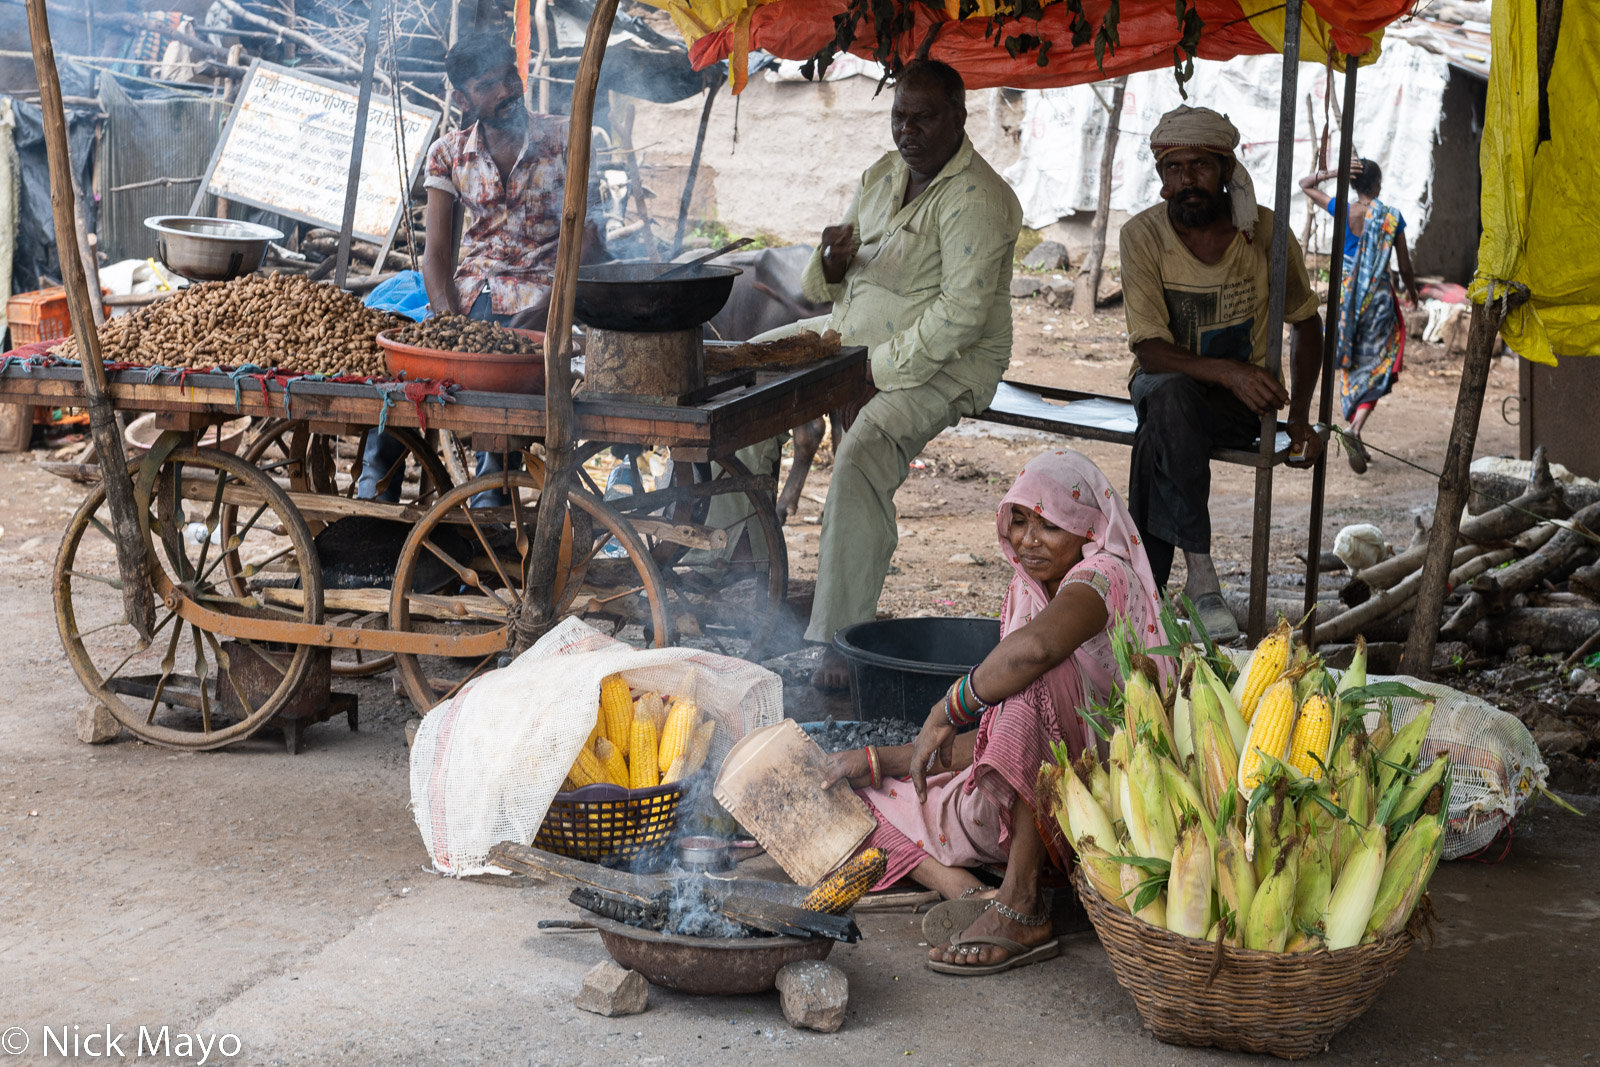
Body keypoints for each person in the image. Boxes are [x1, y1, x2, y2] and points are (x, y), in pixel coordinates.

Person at [822, 449, 1169, 974]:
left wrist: (947, 706)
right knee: (866, 803)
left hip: (1120, 792)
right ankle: (962, 888)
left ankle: (1021, 902)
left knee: (1030, 676)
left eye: (1050, 525)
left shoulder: (1106, 577)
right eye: (1020, 519)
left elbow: (1036, 655)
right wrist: (880, 761)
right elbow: (1005, 739)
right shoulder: (1026, 593)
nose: (1029, 539)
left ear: (1089, 528)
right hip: (1046, 793)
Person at [733, 59, 1021, 689]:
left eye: (923, 117)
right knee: (749, 372)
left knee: (862, 449)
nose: (907, 130)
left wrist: (874, 373)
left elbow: (961, 317)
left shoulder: (981, 199)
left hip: (946, 363)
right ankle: (740, 553)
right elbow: (832, 282)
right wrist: (832, 263)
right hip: (853, 337)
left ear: (958, 118)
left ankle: (842, 637)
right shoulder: (885, 174)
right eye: (899, 116)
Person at [359, 32, 603, 505]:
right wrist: (446, 325)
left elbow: (591, 243)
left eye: (510, 77)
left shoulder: (566, 137)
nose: (507, 91)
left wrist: (552, 312)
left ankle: (491, 499)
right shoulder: (449, 153)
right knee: (401, 386)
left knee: (503, 410)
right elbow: (436, 257)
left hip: (543, 299)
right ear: (462, 97)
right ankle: (375, 497)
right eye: (489, 85)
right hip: (471, 301)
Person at [1119, 105, 1324, 641]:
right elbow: (1150, 351)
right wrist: (1228, 372)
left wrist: (1300, 417)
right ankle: (1203, 578)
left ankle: (1143, 590)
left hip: (1240, 407)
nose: (1186, 181)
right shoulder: (1142, 236)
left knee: (1154, 441)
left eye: (1200, 167)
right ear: (1161, 179)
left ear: (1225, 168)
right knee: (1168, 398)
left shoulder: (1265, 234)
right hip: (1168, 387)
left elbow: (1306, 323)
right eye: (1173, 169)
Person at [1299, 158, 1420, 473]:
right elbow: (1405, 266)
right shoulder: (1391, 217)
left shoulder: (1343, 209)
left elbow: (1305, 185)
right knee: (1380, 365)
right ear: (1377, 183)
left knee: (1353, 365)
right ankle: (1354, 428)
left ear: (1352, 183)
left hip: (1346, 304)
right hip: (1378, 303)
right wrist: (1412, 292)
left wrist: (1334, 172)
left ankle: (1357, 431)